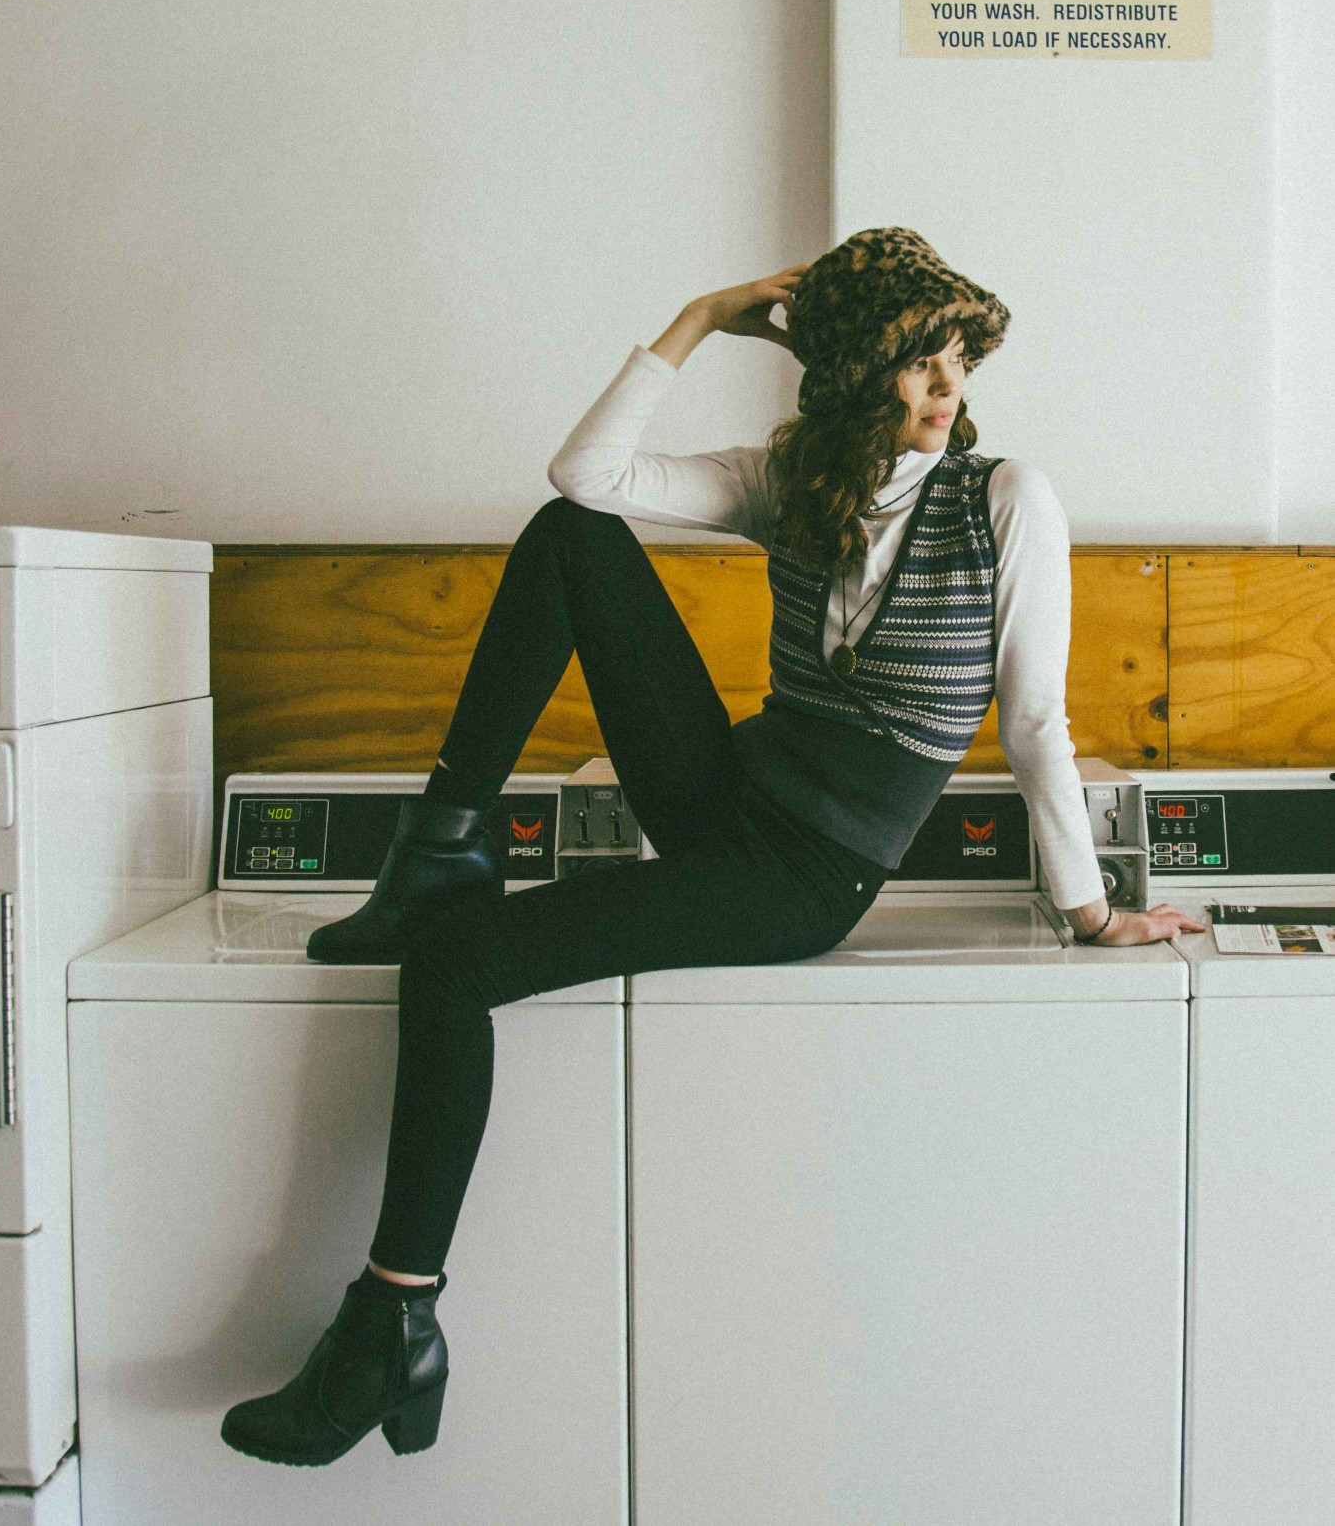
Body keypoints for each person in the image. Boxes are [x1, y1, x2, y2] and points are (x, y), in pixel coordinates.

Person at [219, 226, 1206, 1469]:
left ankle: (392, 1324)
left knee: (455, 965)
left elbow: (1034, 723)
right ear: (854, 376)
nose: (951, 388)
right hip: (722, 794)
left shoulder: (1006, 499)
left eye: (958, 357)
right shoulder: (794, 481)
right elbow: (586, 477)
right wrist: (694, 320)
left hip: (805, 876)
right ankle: (443, 845)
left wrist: (1091, 908)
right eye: (918, 361)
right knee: (569, 535)